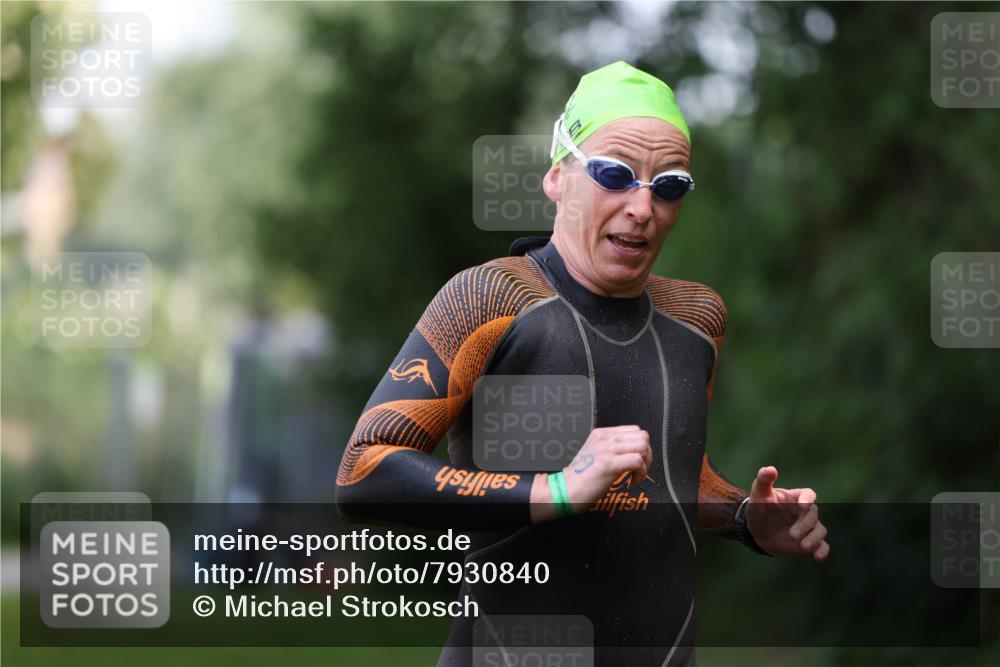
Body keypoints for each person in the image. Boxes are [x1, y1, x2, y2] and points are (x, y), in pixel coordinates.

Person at [336, 61, 829, 667]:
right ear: (557, 177)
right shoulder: (493, 299)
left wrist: (746, 519)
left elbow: (673, 471)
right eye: (614, 174)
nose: (642, 207)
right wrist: (558, 490)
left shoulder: (697, 319)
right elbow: (365, 471)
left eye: (669, 185)